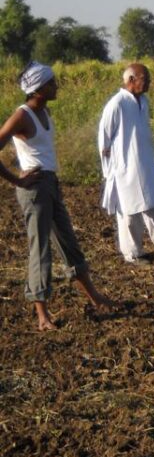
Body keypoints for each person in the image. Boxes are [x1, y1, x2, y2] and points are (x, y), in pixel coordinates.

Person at [0, 62, 117, 331]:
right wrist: (17, 179)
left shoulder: (44, 112)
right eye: (52, 83)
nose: (56, 86)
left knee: (69, 243)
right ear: (38, 89)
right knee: (40, 249)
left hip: (50, 184)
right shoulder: (22, 116)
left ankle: (95, 297)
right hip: (34, 189)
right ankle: (42, 315)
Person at [98, 63, 154, 265]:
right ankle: (133, 254)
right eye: (146, 79)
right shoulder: (116, 104)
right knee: (129, 212)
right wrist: (110, 172)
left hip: (147, 163)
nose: (149, 82)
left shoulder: (143, 101)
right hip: (125, 168)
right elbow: (104, 140)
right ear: (131, 80)